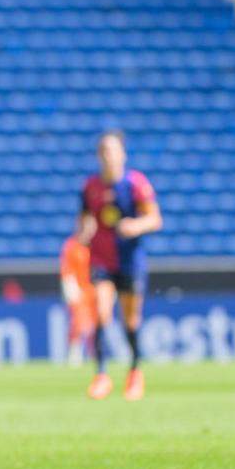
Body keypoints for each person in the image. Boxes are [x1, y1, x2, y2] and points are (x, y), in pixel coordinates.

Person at [77, 130, 162, 400]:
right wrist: (84, 232)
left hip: (129, 260)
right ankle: (101, 375)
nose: (108, 157)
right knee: (101, 312)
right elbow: (85, 218)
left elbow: (155, 219)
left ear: (122, 154)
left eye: (113, 151)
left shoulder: (136, 184)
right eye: (104, 151)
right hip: (101, 259)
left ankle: (135, 371)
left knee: (131, 320)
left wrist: (135, 226)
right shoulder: (91, 186)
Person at [59, 235, 96, 367]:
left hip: (94, 289)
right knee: (78, 322)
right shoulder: (72, 245)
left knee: (97, 323)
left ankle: (95, 353)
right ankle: (75, 353)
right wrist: (69, 285)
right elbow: (66, 267)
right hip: (79, 290)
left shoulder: (96, 243)